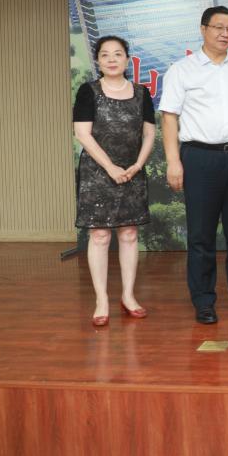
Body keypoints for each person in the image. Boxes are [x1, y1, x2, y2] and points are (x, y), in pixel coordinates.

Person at [158, 6, 228, 324]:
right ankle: (204, 300)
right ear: (203, 29)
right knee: (201, 235)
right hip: (199, 158)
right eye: (218, 27)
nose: (225, 33)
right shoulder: (182, 70)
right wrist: (173, 161)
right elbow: (169, 117)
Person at [73, 35, 156, 327]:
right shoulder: (88, 91)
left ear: (127, 59)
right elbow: (82, 134)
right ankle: (101, 300)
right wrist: (110, 167)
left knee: (129, 234)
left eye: (118, 54)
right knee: (99, 235)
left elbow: (149, 134)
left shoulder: (142, 93)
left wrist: (137, 165)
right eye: (105, 54)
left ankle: (129, 296)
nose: (111, 59)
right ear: (98, 61)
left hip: (132, 171)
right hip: (98, 173)